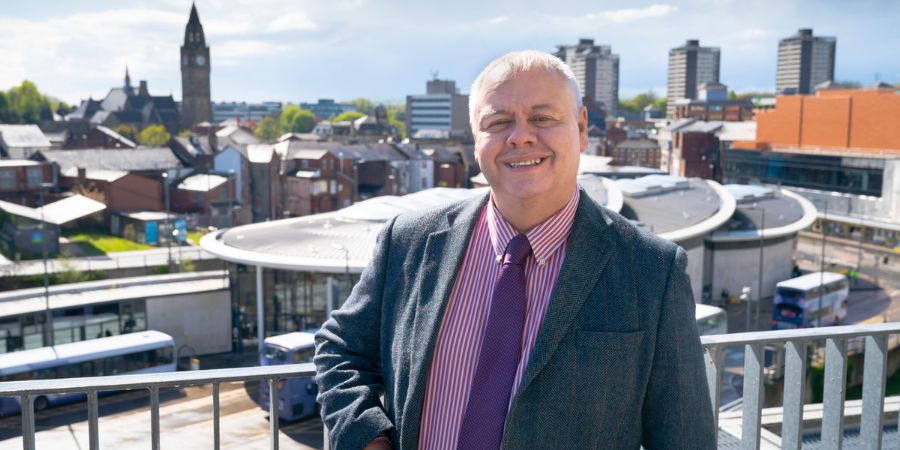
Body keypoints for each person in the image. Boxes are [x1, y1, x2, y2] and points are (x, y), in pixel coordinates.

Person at [314, 51, 715, 450]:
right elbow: (340, 351)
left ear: (581, 128)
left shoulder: (651, 272)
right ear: (476, 140)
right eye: (498, 122)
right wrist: (369, 440)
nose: (520, 136)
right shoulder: (408, 243)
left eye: (542, 118)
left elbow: (685, 438)